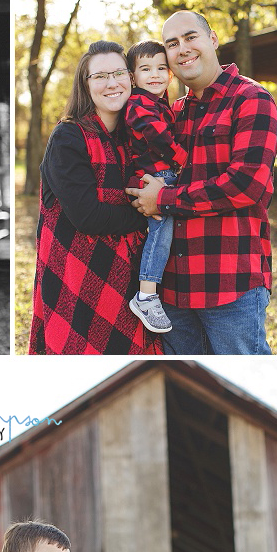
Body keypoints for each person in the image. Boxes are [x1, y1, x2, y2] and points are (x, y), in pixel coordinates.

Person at [126, 10, 277, 356]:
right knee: (188, 388)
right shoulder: (173, 112)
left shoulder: (251, 99)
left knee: (245, 390)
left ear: (212, 40)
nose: (183, 49)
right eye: (172, 43)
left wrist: (162, 200)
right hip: (173, 289)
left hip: (228, 283)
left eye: (191, 37)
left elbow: (245, 185)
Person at [29, 43, 150, 355]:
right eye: (99, 76)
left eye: (118, 73)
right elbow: (88, 216)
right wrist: (148, 212)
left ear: (131, 78)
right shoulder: (68, 137)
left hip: (127, 275)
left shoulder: (135, 137)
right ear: (85, 85)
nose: (111, 83)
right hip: (76, 276)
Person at [124, 40, 188, 337]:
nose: (155, 74)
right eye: (146, 69)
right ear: (133, 76)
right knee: (161, 231)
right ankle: (146, 294)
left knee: (167, 232)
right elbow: (159, 137)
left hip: (162, 172)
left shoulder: (160, 102)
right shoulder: (139, 103)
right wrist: (186, 161)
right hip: (154, 175)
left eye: (162, 68)